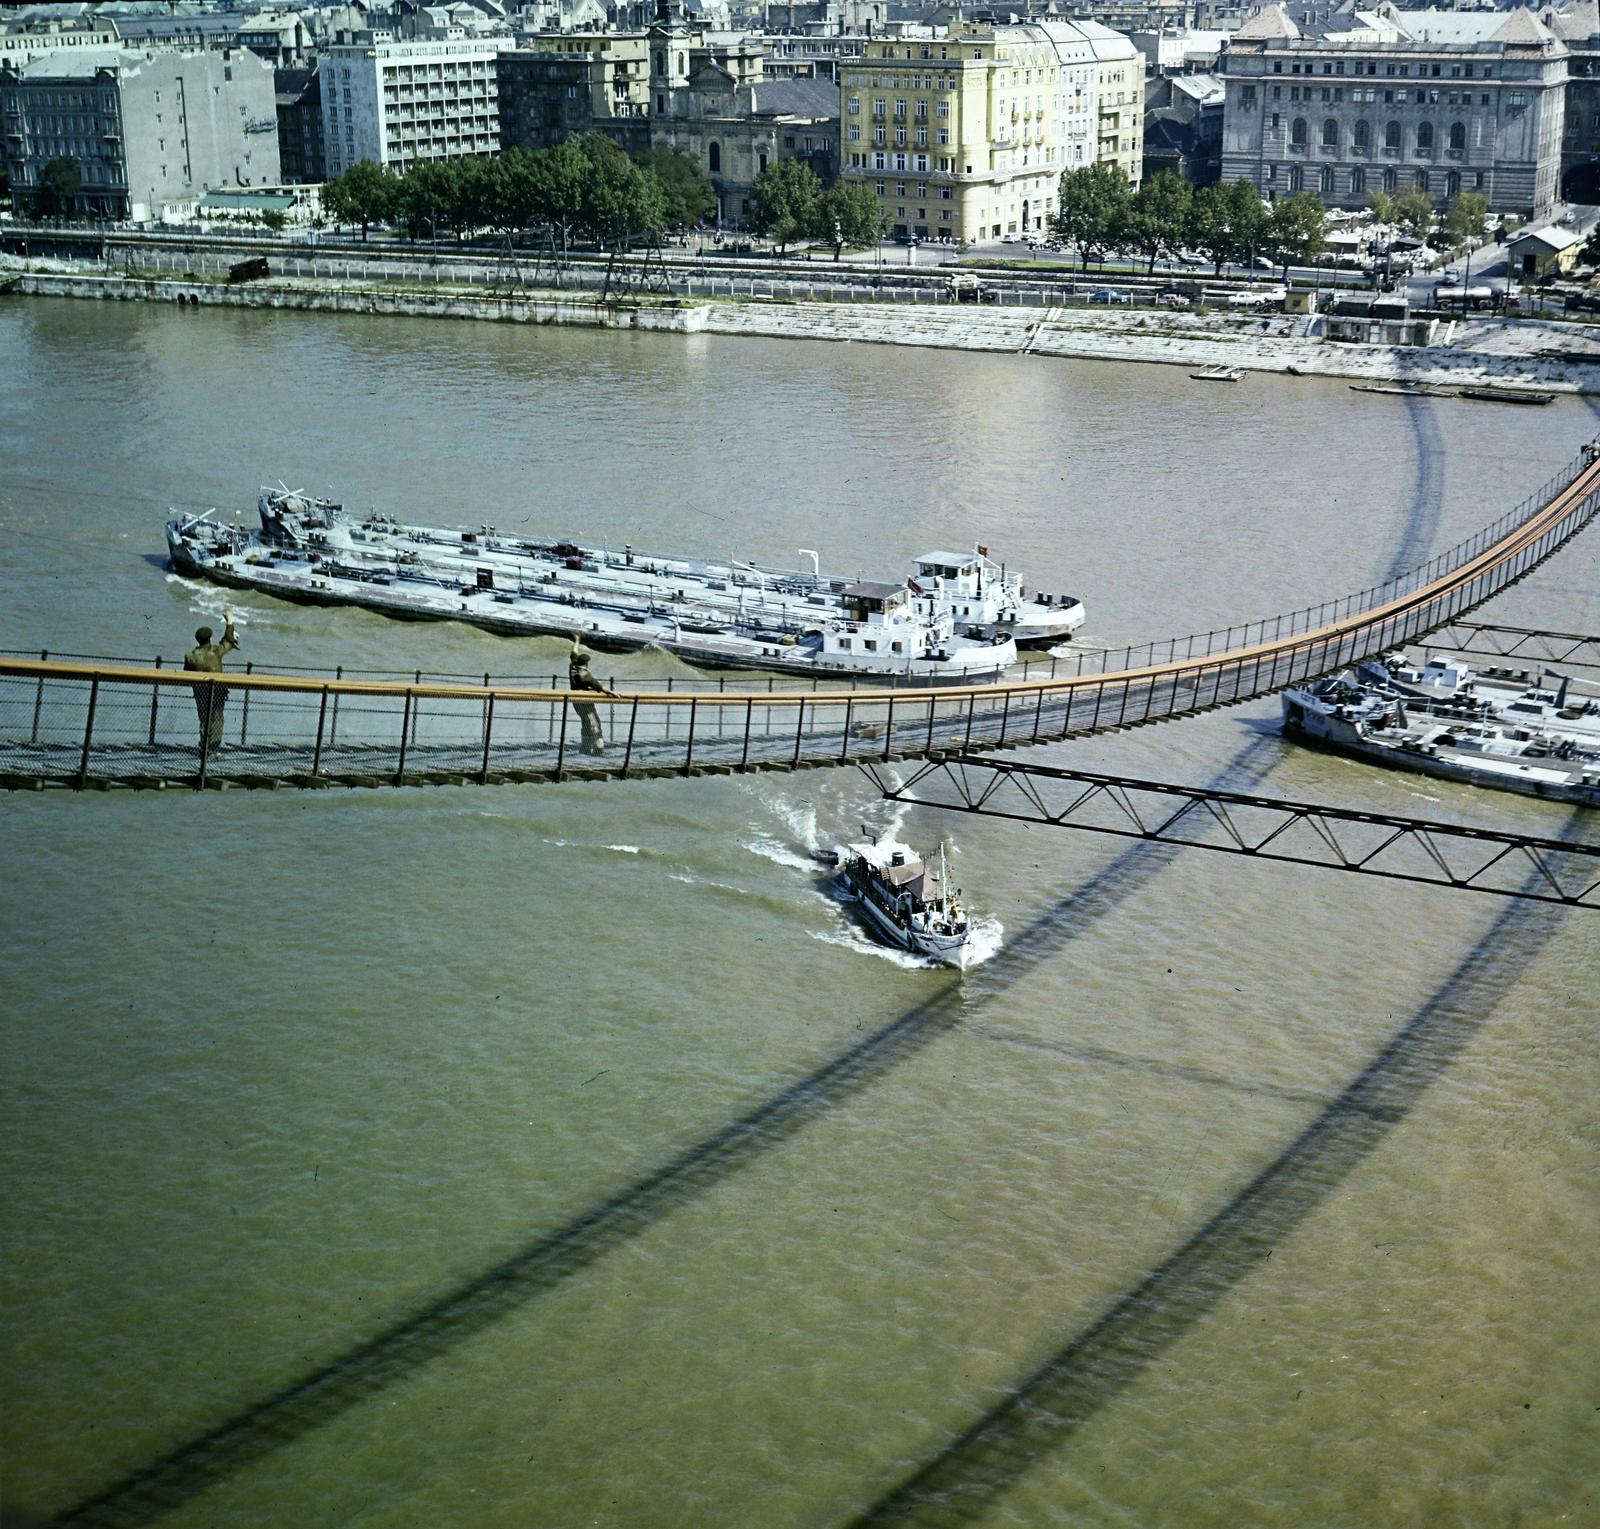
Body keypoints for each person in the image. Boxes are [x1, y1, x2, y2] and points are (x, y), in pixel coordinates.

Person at [184, 612, 238, 751]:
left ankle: (204, 746)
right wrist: (229, 621)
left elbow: (186, 673)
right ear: (210, 638)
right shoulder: (216, 651)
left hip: (200, 692)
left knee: (203, 719)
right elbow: (228, 641)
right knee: (217, 719)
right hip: (218, 691)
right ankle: (213, 749)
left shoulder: (190, 656)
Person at [568, 634, 616, 755]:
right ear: (587, 664)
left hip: (576, 702)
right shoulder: (585, 675)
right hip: (585, 702)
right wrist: (614, 694)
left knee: (586, 724)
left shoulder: (573, 665)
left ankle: (584, 749)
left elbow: (574, 651)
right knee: (594, 725)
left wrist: (577, 640)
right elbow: (600, 687)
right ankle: (598, 750)